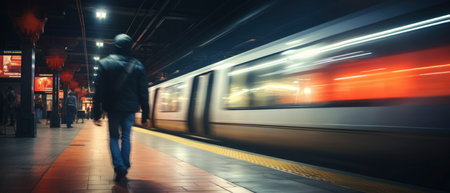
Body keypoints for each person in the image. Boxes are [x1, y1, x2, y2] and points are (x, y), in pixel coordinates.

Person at [93, 34, 149, 182]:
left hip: (112, 108)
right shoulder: (138, 65)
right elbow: (143, 92)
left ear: (115, 46)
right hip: (130, 109)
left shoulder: (105, 63)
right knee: (126, 136)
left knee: (113, 137)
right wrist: (145, 115)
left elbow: (98, 91)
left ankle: (119, 167)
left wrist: (96, 114)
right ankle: (124, 164)